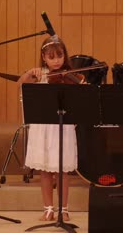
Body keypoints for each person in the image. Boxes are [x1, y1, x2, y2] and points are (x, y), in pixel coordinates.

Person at [18, 36, 81, 221]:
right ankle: (48, 209)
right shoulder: (40, 75)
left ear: (65, 56)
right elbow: (20, 85)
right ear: (43, 57)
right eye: (51, 57)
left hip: (62, 128)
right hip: (43, 128)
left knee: (62, 171)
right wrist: (29, 73)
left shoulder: (71, 76)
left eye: (60, 56)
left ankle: (64, 209)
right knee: (45, 170)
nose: (56, 61)